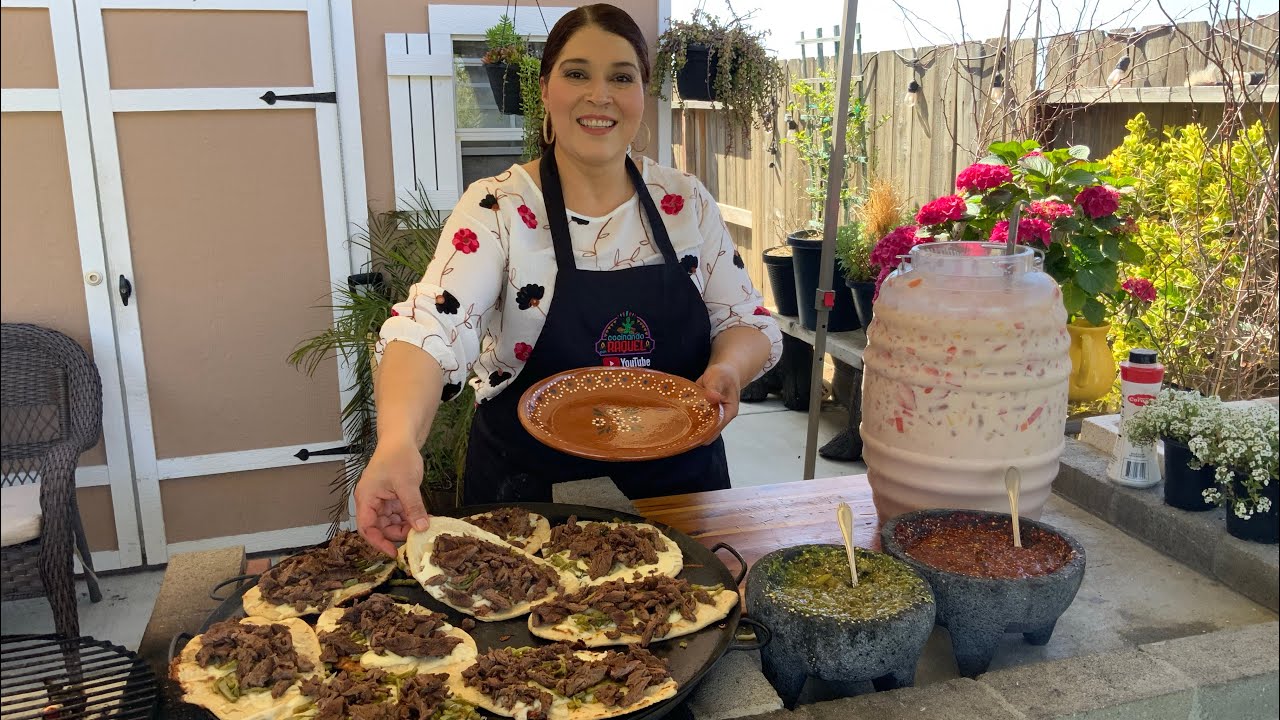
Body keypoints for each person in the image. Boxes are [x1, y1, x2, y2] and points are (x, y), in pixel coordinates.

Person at [355, 3, 782, 556]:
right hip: (531, 505)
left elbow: (746, 320)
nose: (599, 95)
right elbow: (430, 325)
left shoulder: (685, 202)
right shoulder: (498, 207)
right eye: (577, 73)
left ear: (642, 93)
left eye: (621, 77)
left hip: (680, 498)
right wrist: (397, 441)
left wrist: (728, 367)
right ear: (545, 89)